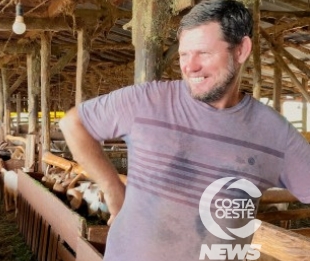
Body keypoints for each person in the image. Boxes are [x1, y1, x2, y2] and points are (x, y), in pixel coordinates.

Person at [59, 0, 310, 260]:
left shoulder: (273, 132)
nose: (190, 66)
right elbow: (73, 123)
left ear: (241, 50)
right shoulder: (146, 101)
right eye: (183, 54)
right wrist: (113, 190)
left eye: (203, 53)